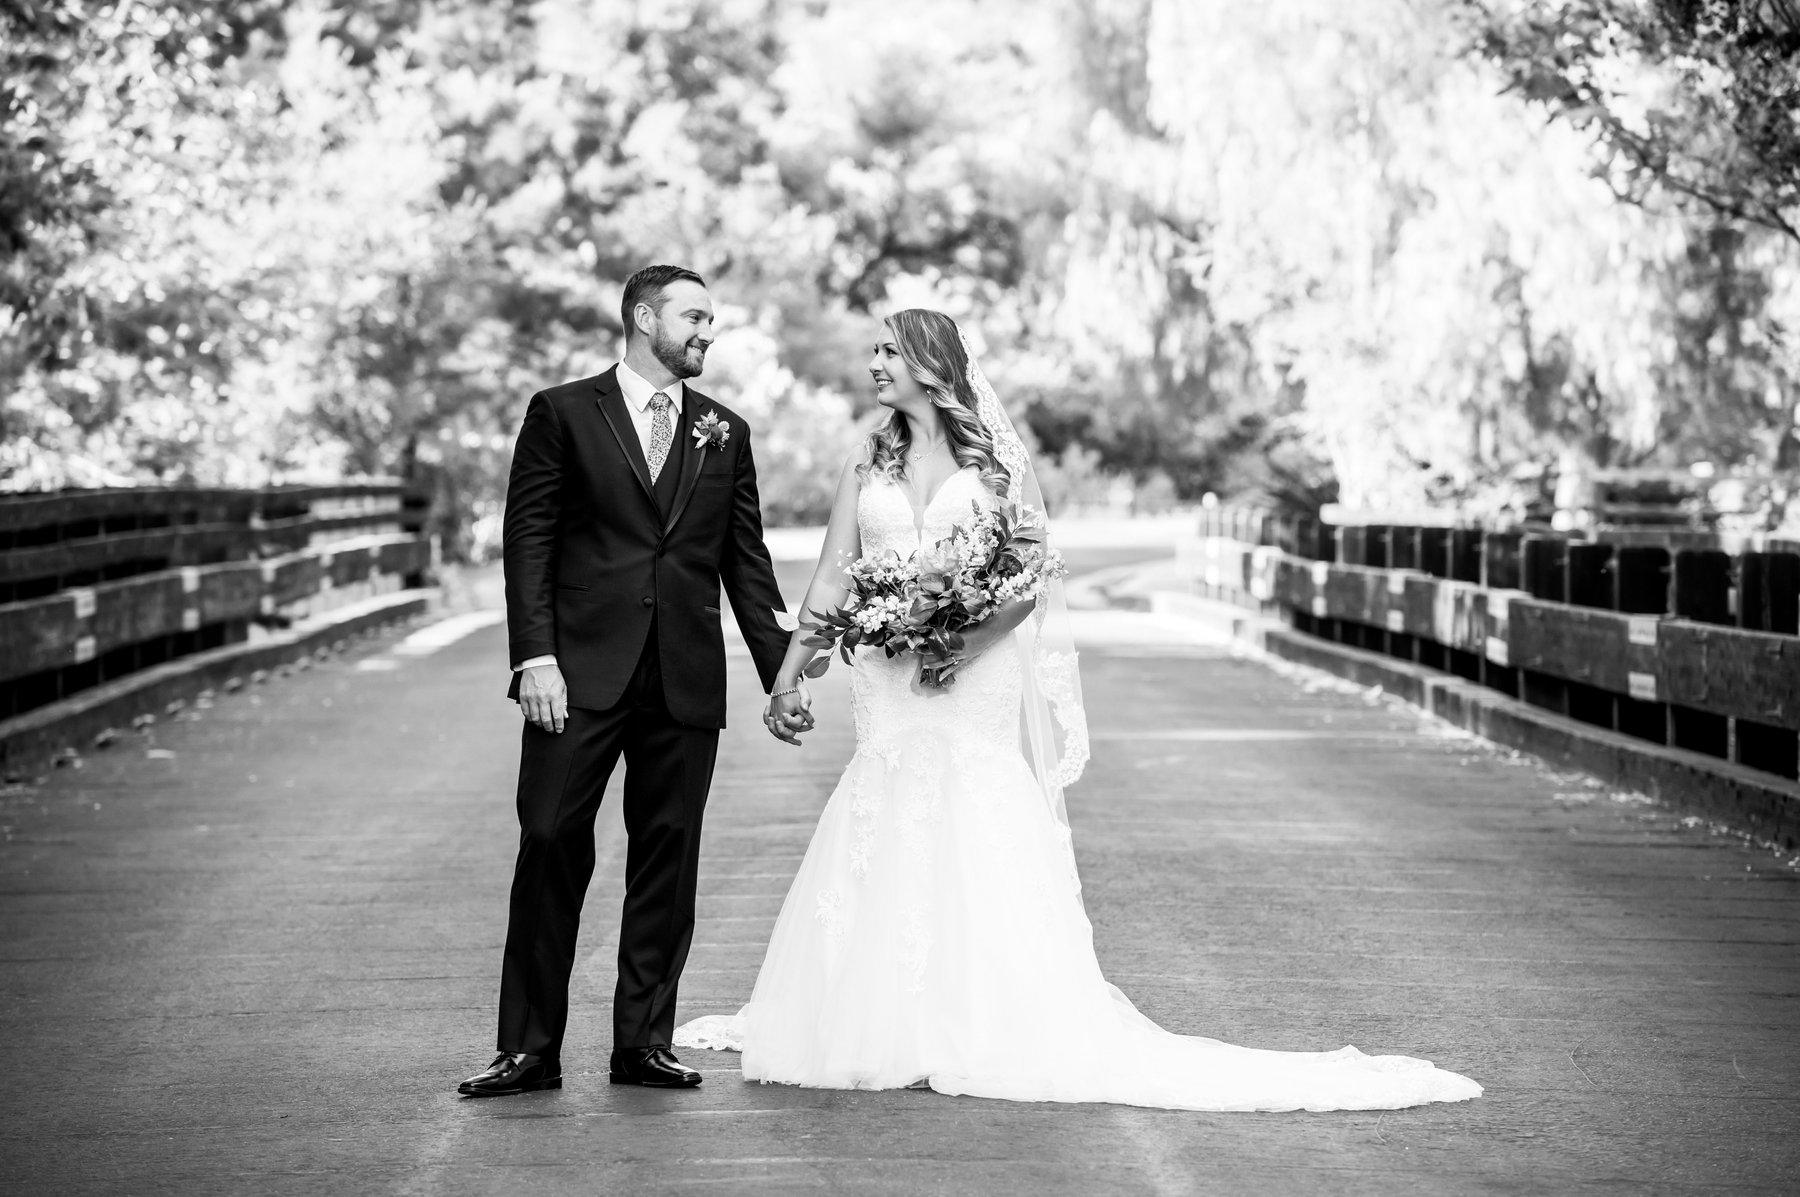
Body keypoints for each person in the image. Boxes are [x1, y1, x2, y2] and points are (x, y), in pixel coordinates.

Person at [675, 309, 1483, 1111]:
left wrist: (960, 642)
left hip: (973, 670)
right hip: (888, 676)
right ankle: (882, 1017)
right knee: (884, 811)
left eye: (889, 350)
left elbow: (1027, 577)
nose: (874, 363)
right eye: (874, 349)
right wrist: (788, 676)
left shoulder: (996, 463)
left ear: (930, 362)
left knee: (974, 807)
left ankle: (983, 1016)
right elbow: (831, 576)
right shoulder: (868, 458)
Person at [459, 265, 811, 1097]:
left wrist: (783, 675)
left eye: (712, 319)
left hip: (684, 676)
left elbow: (746, 563)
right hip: (576, 673)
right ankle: (528, 1049)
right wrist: (534, 656)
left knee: (668, 857)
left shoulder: (725, 431)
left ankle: (643, 1042)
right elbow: (529, 541)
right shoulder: (561, 413)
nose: (707, 331)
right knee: (550, 841)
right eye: (694, 316)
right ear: (644, 318)